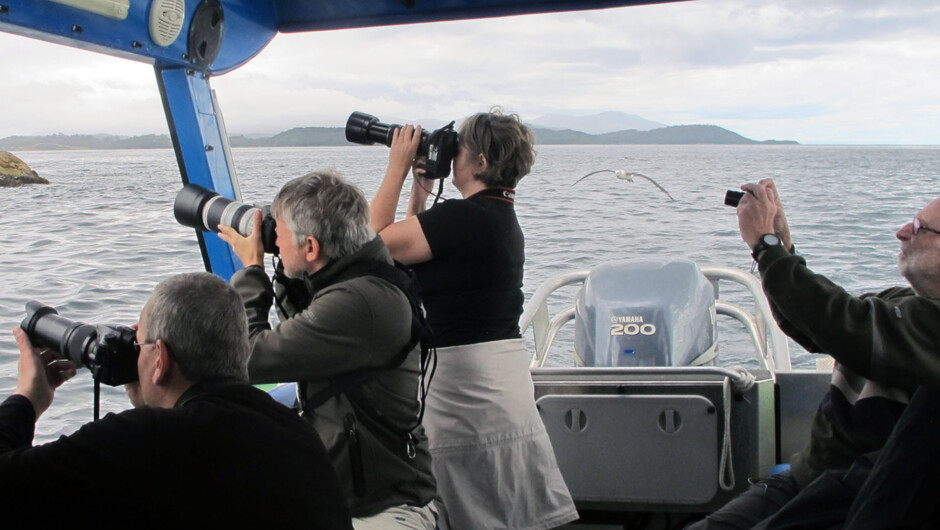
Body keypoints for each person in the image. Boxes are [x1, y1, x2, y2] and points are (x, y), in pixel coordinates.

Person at [0, 272, 352, 529]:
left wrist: (27, 399)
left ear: (160, 359)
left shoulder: (149, 437)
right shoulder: (294, 431)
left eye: (140, 343)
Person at [687, 180, 940, 529]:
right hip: (804, 479)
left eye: (919, 229)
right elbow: (811, 325)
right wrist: (781, 247)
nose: (900, 233)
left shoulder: (931, 327)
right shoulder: (902, 303)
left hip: (854, 496)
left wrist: (766, 244)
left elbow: (840, 322)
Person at [370, 108, 578, 529]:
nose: (454, 154)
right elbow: (415, 246)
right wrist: (422, 190)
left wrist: (395, 168)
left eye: (460, 147)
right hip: (500, 381)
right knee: (506, 501)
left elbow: (375, 246)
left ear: (481, 162)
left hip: (464, 387)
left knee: (473, 507)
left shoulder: (464, 218)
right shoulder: (495, 217)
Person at [218, 170, 437, 529]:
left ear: (311, 247)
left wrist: (252, 270)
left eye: (281, 234)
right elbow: (300, 335)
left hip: (388, 511)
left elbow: (247, 358)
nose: (275, 240)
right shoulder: (357, 278)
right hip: (350, 497)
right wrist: (290, 273)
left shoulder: (359, 302)